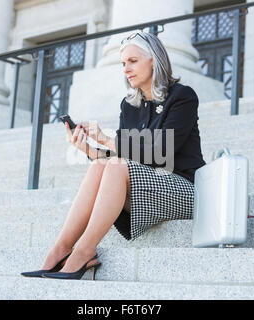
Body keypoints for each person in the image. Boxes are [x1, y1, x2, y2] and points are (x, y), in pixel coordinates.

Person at [21, 31, 205, 280]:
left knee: (116, 166)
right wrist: (86, 148)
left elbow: (161, 152)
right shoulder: (129, 105)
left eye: (133, 61)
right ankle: (61, 249)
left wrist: (108, 140)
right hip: (144, 188)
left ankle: (84, 251)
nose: (126, 69)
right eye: (123, 63)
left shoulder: (182, 97)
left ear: (154, 60)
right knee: (99, 167)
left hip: (185, 188)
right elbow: (118, 158)